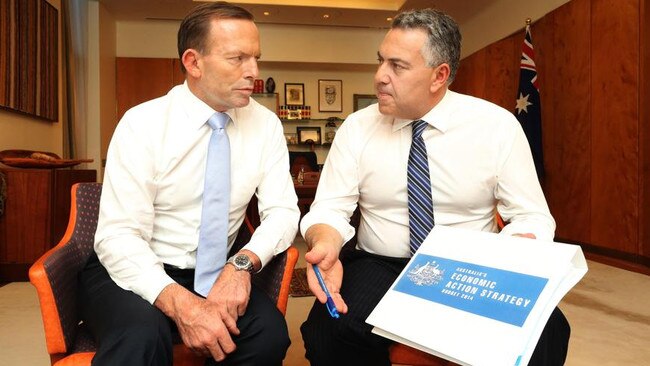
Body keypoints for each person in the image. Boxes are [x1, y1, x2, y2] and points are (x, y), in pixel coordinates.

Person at [299, 8, 570, 366]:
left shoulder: (496, 127)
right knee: (331, 329)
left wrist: (514, 253)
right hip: (382, 263)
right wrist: (326, 243)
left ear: (439, 75)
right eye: (380, 61)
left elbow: (531, 216)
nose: (379, 77)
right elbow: (330, 208)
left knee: (546, 331)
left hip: (470, 268)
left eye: (397, 66)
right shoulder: (356, 128)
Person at [78, 3, 300, 365]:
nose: (254, 72)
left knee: (269, 334)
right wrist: (182, 304)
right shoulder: (142, 124)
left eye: (256, 58)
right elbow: (118, 237)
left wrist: (240, 266)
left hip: (217, 270)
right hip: (132, 265)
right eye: (237, 58)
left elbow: (283, 212)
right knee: (140, 336)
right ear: (194, 62)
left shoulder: (266, 125)